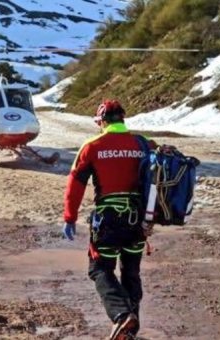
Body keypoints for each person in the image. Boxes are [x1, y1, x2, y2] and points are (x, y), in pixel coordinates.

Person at [62, 99, 154, 340]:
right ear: (123, 119)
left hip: (109, 220)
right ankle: (130, 326)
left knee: (100, 268)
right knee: (131, 271)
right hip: (138, 220)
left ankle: (122, 316)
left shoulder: (93, 145)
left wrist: (69, 217)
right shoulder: (142, 144)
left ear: (102, 122)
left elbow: (75, 184)